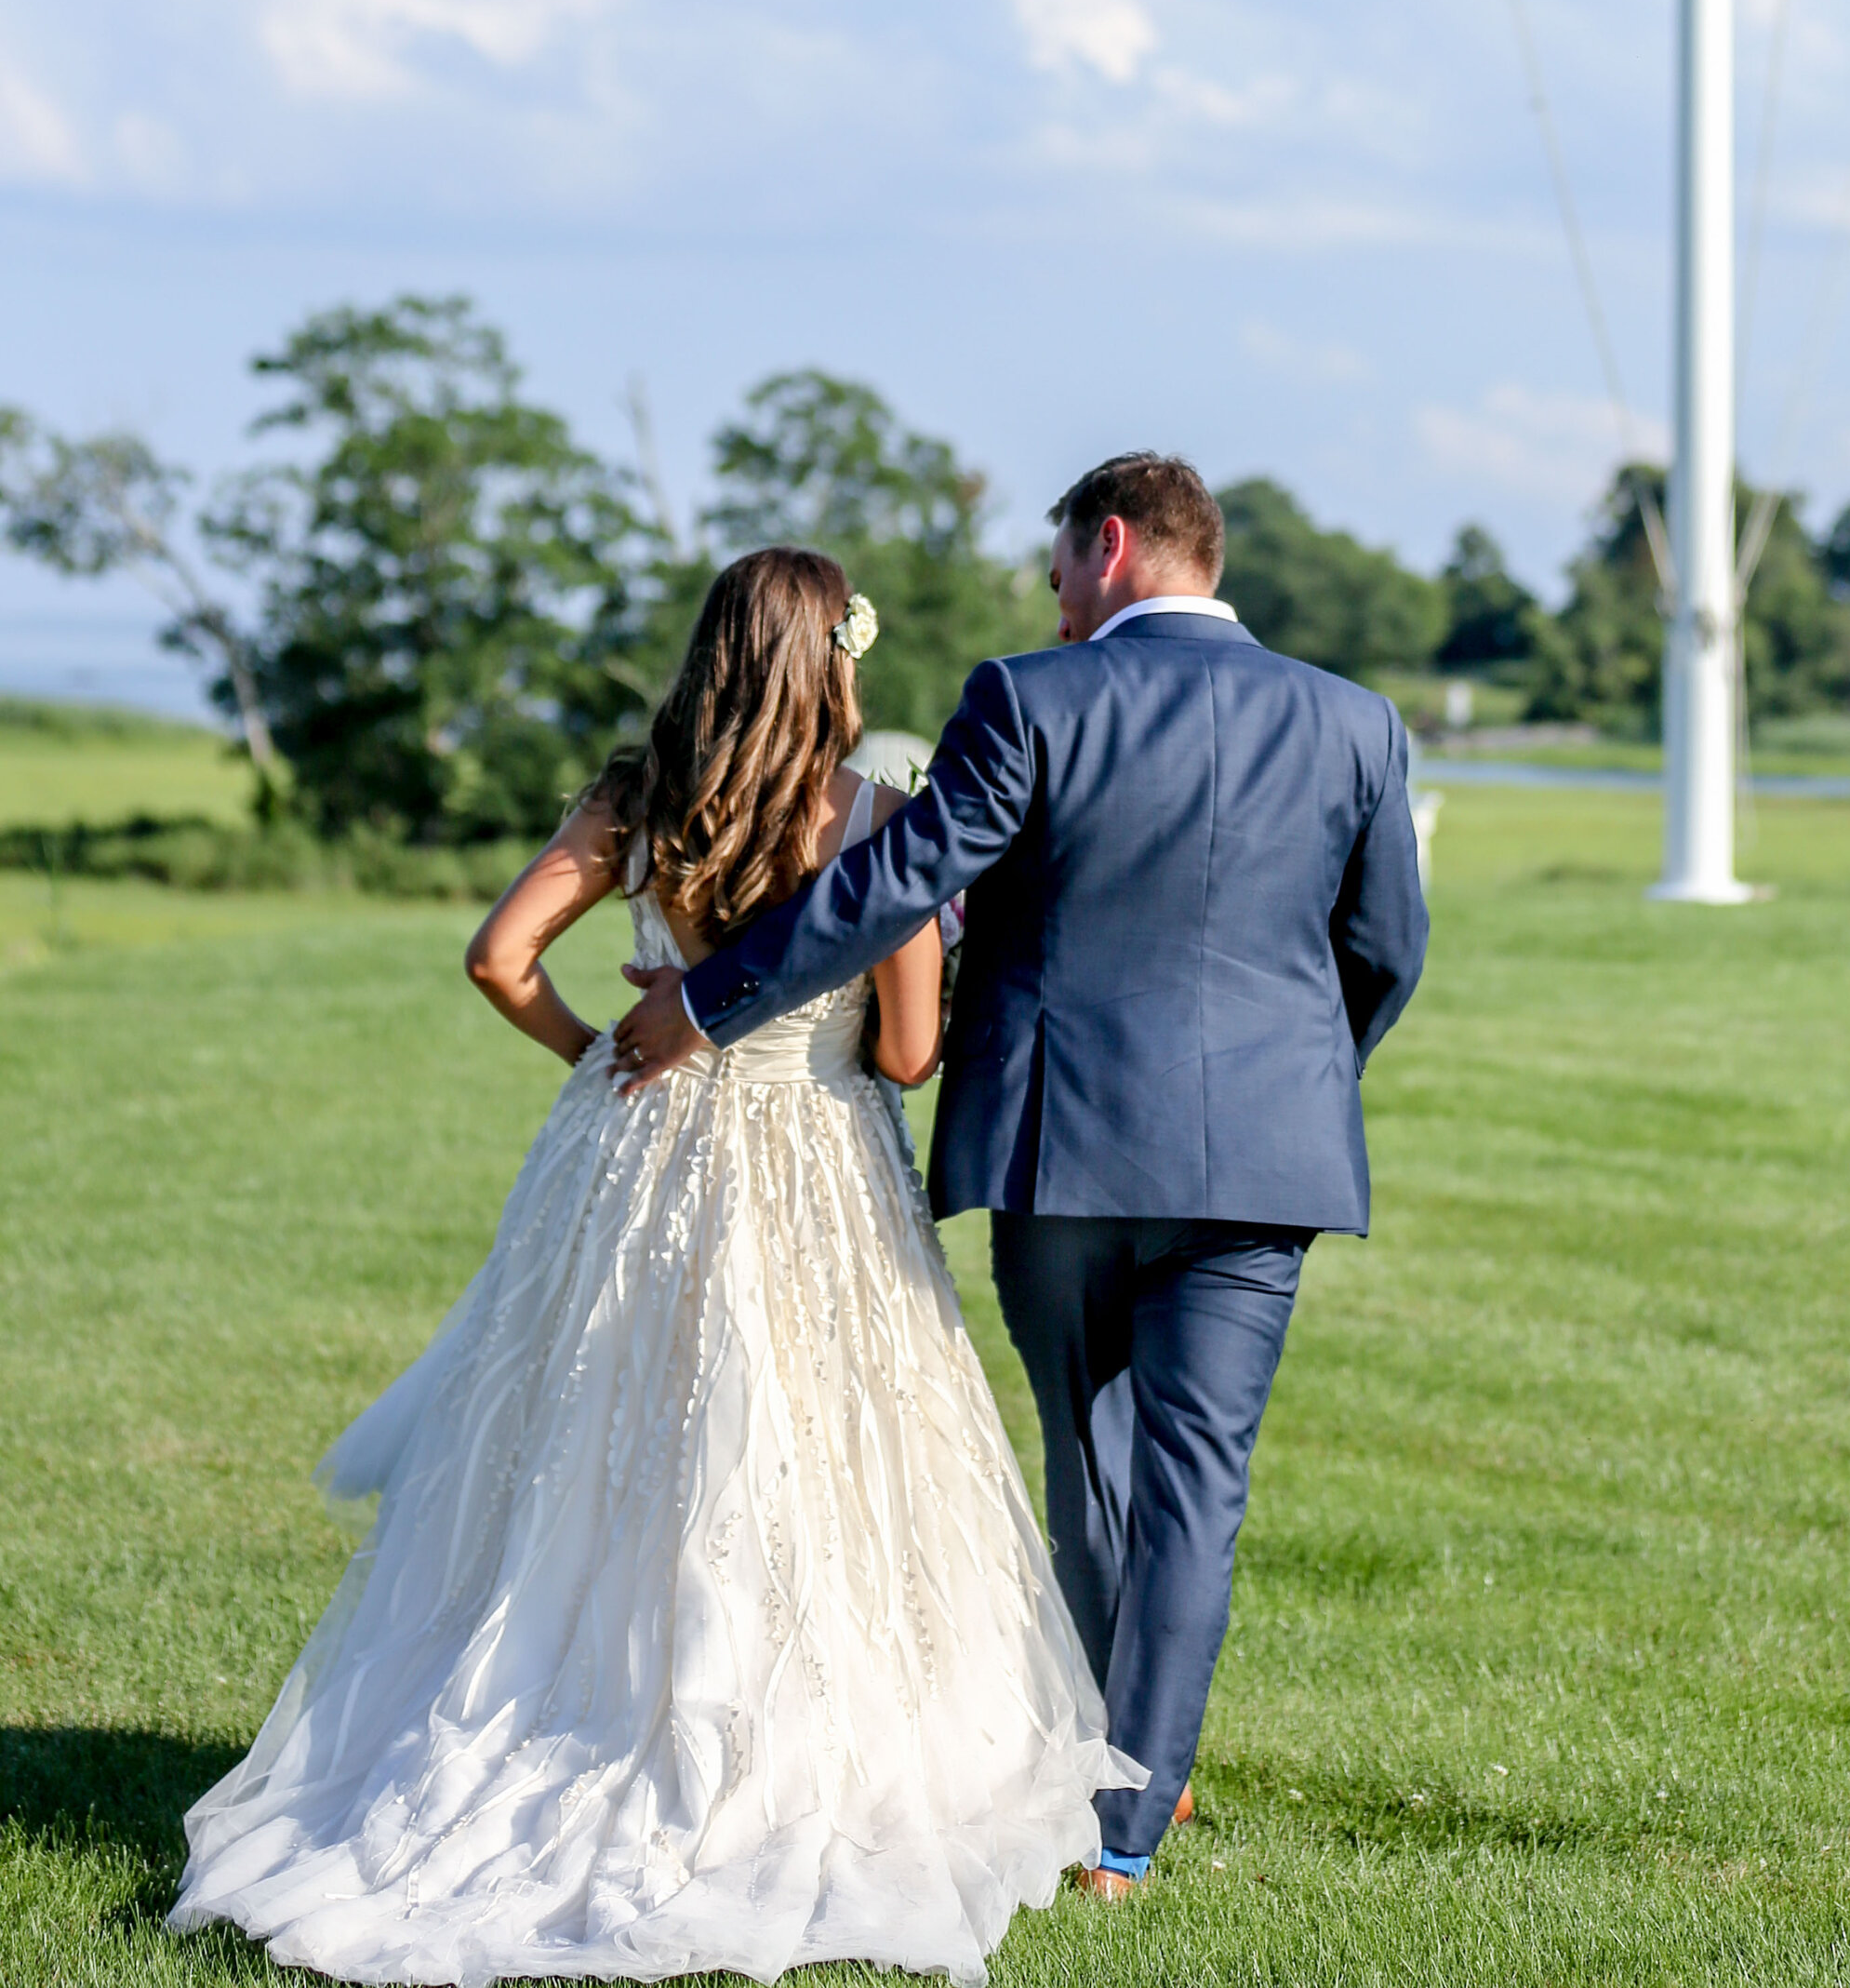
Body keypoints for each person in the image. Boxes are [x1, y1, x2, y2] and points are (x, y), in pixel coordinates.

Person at [169, 548, 1130, 1988]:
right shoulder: (874, 814)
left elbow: (500, 956)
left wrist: (601, 1051)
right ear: (833, 662)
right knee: (811, 1451)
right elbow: (916, 1054)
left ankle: (572, 1706)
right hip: (813, 1160)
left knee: (601, 1439)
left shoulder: (635, 795)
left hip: (632, 1155)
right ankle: (783, 1743)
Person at [614, 451, 1429, 1899]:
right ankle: (1129, 1823)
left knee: (1092, 1460)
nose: (1051, 595)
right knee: (1196, 1487)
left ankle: (1107, 1775)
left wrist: (703, 1000)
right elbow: (1384, 952)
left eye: (1058, 562)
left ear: (1109, 545)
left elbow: (893, 883)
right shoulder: (1356, 721)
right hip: (1269, 1159)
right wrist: (1294, 1084)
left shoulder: (1032, 699)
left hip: (1065, 1144)